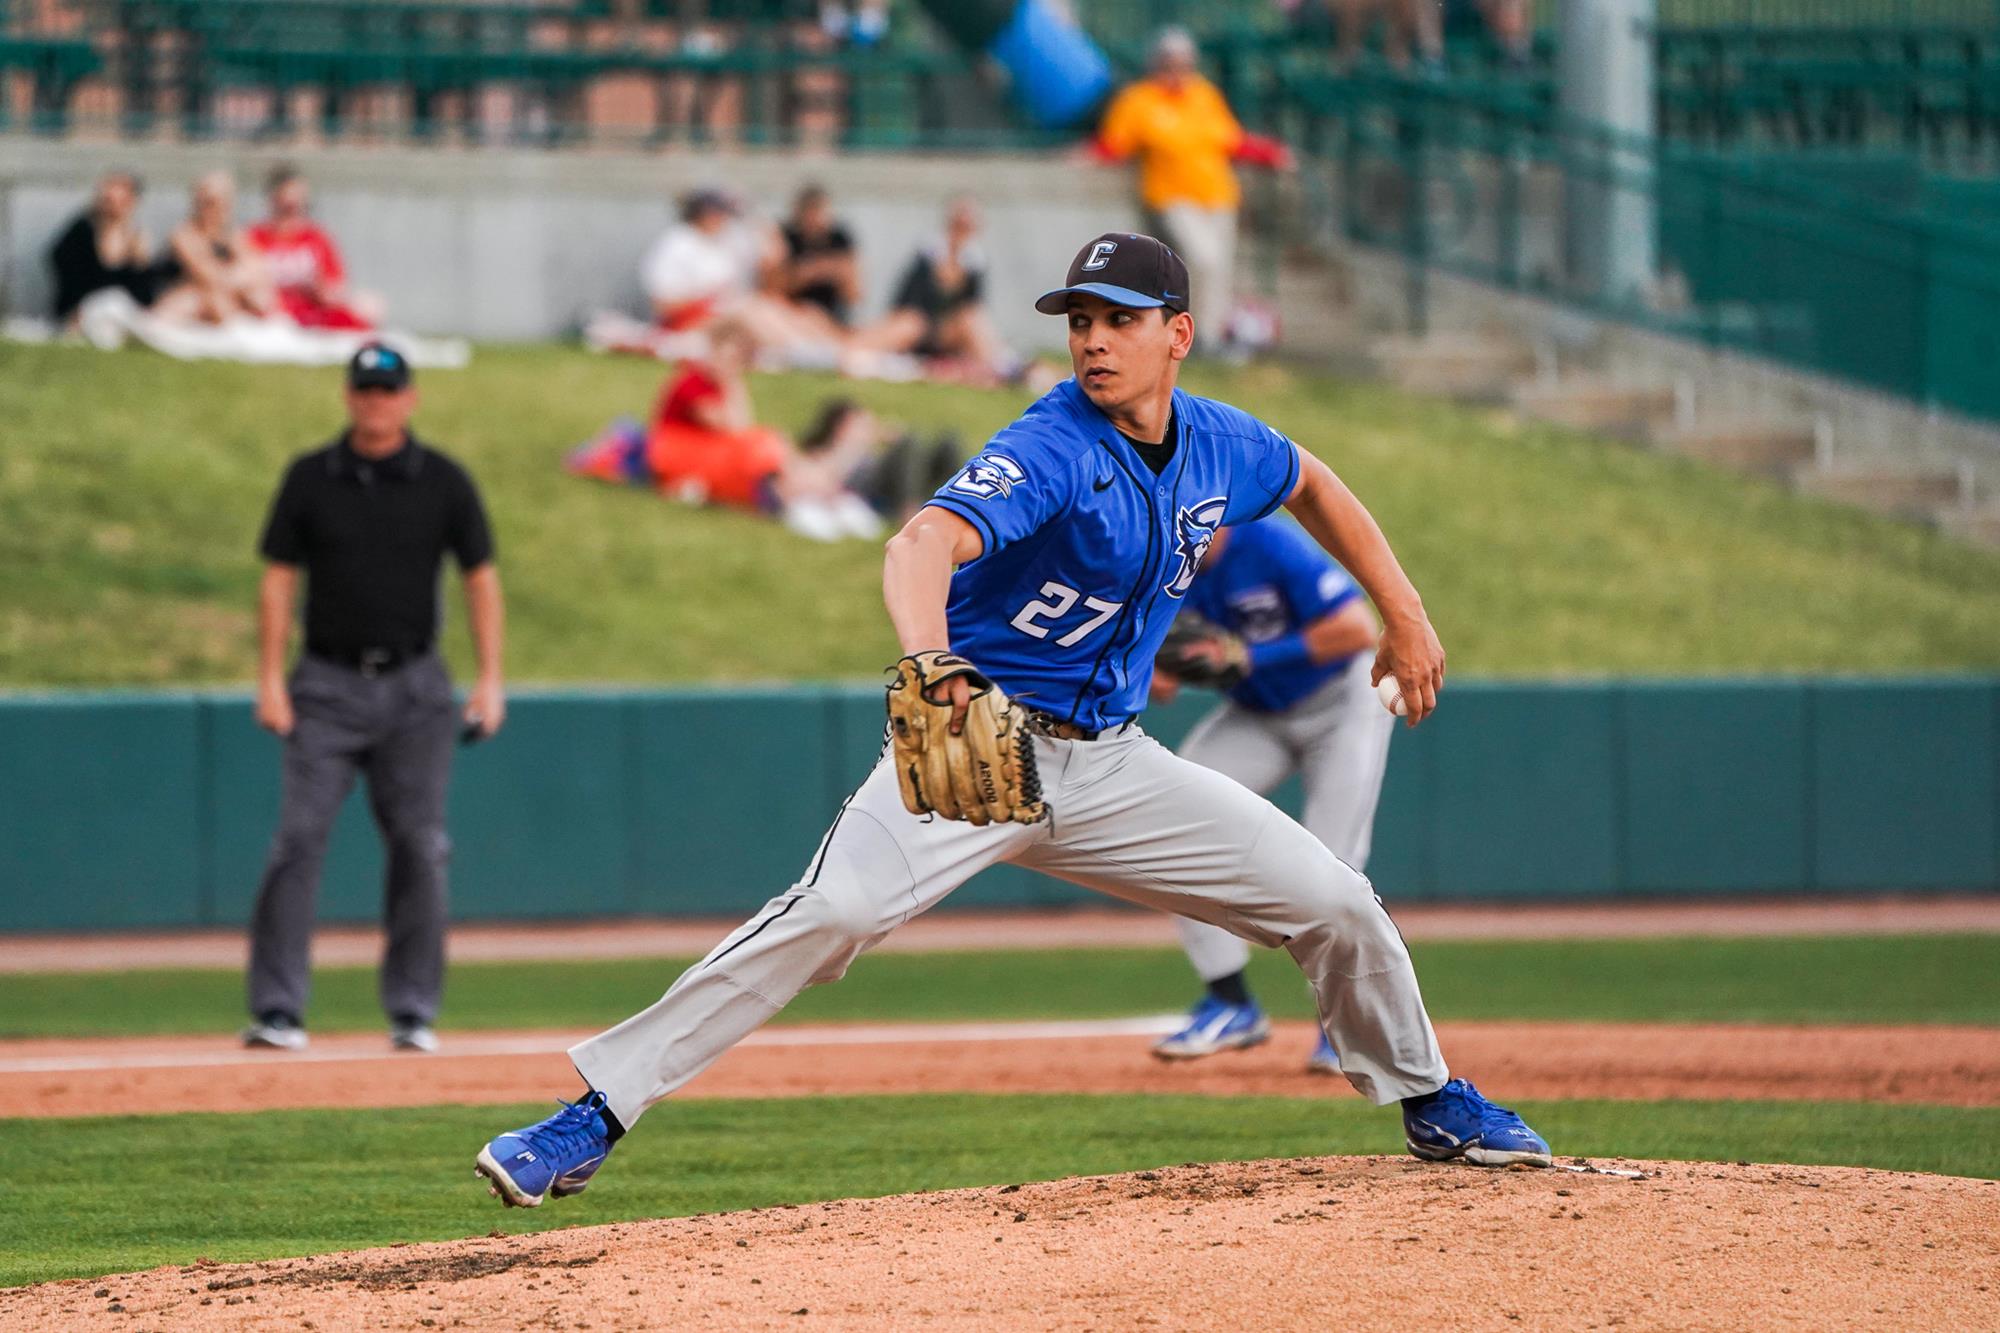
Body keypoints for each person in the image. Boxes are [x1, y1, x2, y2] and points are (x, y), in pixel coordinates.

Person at [474, 231, 1550, 1210]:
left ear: (1178, 334)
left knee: (1335, 900)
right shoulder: (1050, 444)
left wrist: (1405, 616)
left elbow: (1313, 482)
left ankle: (1428, 1096)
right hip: (980, 739)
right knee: (832, 912)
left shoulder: (1222, 442)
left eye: (1119, 318)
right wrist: (929, 658)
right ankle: (591, 1115)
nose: (1092, 340)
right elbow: (919, 544)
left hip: (1114, 763)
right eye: (1079, 319)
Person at [245, 343, 505, 1055]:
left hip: (415, 686)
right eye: (365, 389)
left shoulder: (442, 480)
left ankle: (413, 1010)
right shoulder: (311, 476)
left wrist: (490, 678)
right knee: (297, 839)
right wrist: (269, 678)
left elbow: (480, 577)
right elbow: (278, 577)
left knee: (421, 844)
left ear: (409, 398)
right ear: (348, 395)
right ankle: (277, 1009)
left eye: (388, 390)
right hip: (325, 684)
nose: (376, 402)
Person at [1146, 518, 1393, 1075]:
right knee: (1168, 818)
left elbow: (1357, 629)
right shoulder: (1166, 563)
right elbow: (1160, 684)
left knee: (1335, 867)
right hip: (1257, 715)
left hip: (1342, 702)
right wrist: (1152, 665)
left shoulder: (1269, 543)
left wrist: (1251, 657)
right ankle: (1230, 1001)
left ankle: (1344, 1026)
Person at [565, 319, 882, 541]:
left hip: (709, 452)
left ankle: (822, 490)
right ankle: (821, 490)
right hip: (680, 452)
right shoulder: (693, 382)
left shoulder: (717, 383)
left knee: (769, 444)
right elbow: (732, 426)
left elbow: (740, 425)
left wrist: (733, 381)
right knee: (765, 446)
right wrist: (731, 382)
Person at [1091, 29, 1291, 352]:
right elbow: (1114, 144)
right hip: (1173, 197)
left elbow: (1230, 140)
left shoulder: (1204, 95)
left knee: (1220, 268)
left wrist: (1270, 153)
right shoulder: (1139, 99)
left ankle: (1210, 338)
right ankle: (1192, 335)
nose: (1178, 72)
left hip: (1218, 196)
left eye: (1184, 64)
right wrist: (1085, 156)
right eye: (1170, 64)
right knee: (1203, 259)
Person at [850, 198, 1013, 382]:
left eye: (967, 227)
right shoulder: (927, 256)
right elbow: (907, 302)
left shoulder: (975, 264)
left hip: (950, 333)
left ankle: (995, 368)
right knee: (910, 323)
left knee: (971, 319)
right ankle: (859, 351)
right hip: (919, 327)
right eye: (958, 225)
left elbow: (974, 307)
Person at [246, 165, 383, 331]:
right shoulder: (254, 238)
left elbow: (335, 286)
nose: (292, 214)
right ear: (273, 201)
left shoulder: (317, 238)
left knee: (370, 305)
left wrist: (319, 289)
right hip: (272, 310)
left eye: (298, 206)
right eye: (286, 207)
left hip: (312, 310)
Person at [152, 171, 279, 325]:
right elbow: (207, 275)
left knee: (258, 295)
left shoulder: (232, 236)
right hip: (186, 298)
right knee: (205, 298)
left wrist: (242, 279)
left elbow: (256, 269)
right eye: (207, 202)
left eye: (220, 202)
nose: (214, 208)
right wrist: (239, 278)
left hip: (220, 297)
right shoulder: (184, 235)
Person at [48, 171, 164, 325]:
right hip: (84, 311)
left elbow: (144, 292)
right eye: (109, 201)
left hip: (125, 311)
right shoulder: (82, 231)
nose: (114, 207)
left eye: (122, 202)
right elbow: (72, 278)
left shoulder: (137, 237)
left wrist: (139, 262)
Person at [778, 184, 860, 329]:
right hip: (793, 316)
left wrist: (831, 271)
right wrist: (808, 273)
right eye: (810, 211)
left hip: (832, 318)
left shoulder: (839, 239)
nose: (814, 218)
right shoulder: (786, 237)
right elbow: (774, 288)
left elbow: (854, 294)